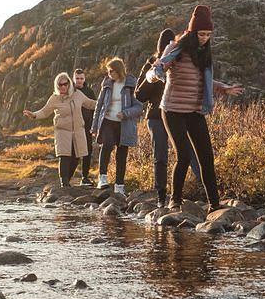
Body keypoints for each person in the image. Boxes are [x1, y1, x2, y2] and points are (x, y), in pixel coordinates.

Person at [148, 4, 244, 211]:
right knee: (183, 155)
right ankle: (175, 200)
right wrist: (158, 72)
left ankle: (214, 204)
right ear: (192, 32)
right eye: (201, 33)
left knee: (206, 157)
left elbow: (205, 81)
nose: (205, 38)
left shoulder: (204, 54)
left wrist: (224, 89)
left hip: (195, 110)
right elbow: (158, 67)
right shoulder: (175, 49)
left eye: (208, 34)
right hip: (172, 110)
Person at [136, 29, 198, 207]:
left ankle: (199, 191)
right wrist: (154, 75)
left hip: (179, 113)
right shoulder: (151, 64)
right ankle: (161, 196)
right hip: (157, 116)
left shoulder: (183, 60)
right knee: (161, 156)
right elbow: (139, 95)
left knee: (189, 153)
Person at [23, 72, 97, 187]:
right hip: (62, 131)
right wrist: (34, 115)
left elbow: (91, 104)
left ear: (69, 84)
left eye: (65, 84)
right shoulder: (54, 98)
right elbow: (44, 111)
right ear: (56, 86)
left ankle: (68, 179)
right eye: (60, 85)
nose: (63, 86)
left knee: (76, 157)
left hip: (78, 131)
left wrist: (107, 104)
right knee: (64, 156)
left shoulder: (78, 95)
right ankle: (64, 183)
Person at [91, 57, 143, 194]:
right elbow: (99, 105)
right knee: (107, 145)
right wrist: (94, 126)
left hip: (124, 124)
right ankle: (102, 178)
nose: (109, 74)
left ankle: (119, 185)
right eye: (108, 71)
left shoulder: (132, 84)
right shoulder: (107, 83)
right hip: (107, 120)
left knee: (122, 154)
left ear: (119, 70)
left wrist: (125, 113)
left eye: (111, 71)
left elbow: (139, 106)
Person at [73, 68, 97, 185]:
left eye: (81, 78)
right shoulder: (69, 91)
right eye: (77, 78)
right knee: (73, 152)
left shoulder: (89, 91)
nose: (79, 81)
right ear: (73, 79)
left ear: (84, 79)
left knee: (87, 150)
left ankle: (85, 177)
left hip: (87, 125)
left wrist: (94, 125)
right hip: (73, 125)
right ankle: (66, 178)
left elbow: (94, 108)